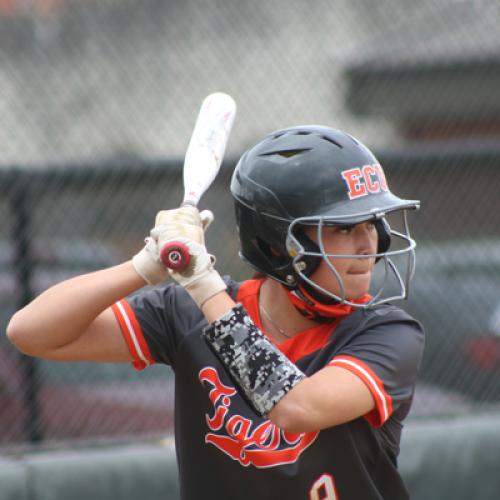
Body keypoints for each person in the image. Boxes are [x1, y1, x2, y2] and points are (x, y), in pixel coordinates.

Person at [7, 125, 424, 500]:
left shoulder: (388, 334)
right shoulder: (188, 312)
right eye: (344, 228)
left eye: (371, 223)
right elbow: (31, 332)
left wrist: (203, 284)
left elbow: (298, 409)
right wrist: (144, 266)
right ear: (278, 245)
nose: (369, 245)